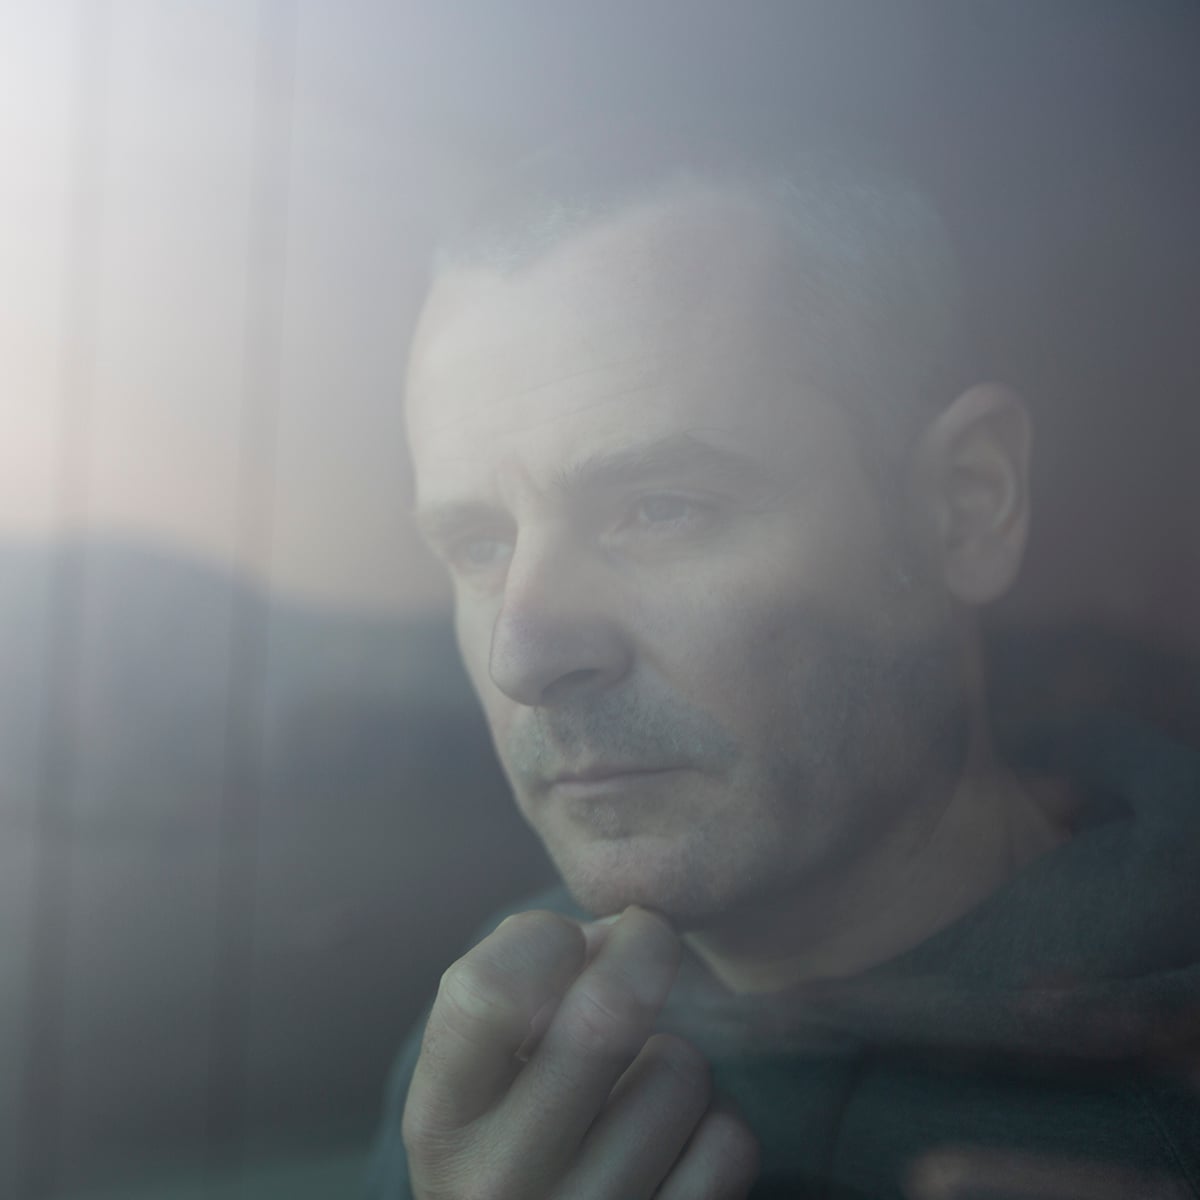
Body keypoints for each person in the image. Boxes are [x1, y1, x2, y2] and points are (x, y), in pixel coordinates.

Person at [367, 141, 1200, 1199]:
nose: (521, 654)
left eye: (659, 508)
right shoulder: (502, 1053)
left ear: (963, 506)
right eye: (479, 544)